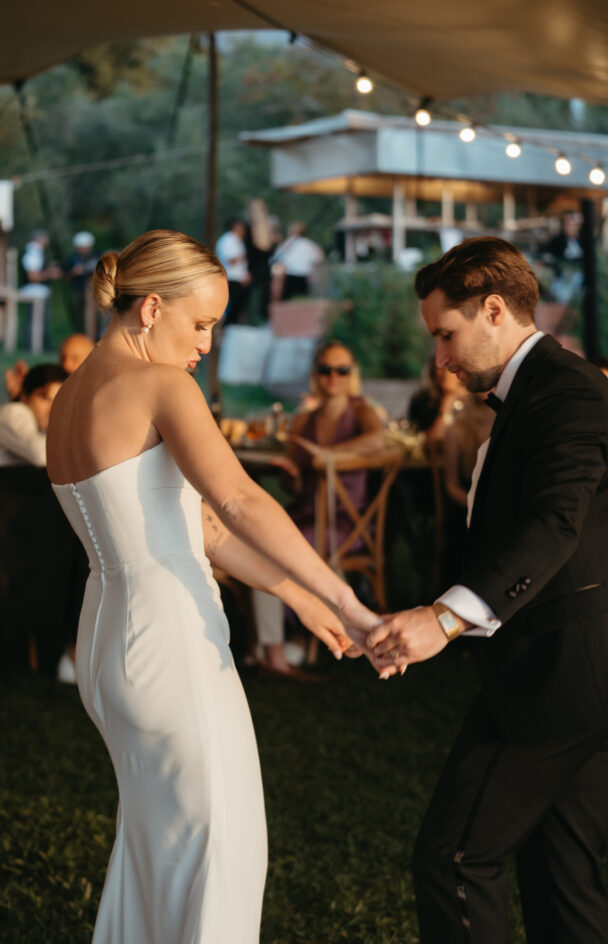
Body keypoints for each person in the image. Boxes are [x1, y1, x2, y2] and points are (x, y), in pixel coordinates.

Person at [45, 229, 393, 944]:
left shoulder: (73, 397)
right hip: (170, 639)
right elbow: (236, 501)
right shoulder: (161, 385)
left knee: (156, 847)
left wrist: (299, 597)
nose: (206, 344)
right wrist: (347, 599)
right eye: (199, 323)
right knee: (222, 851)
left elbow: (198, 529)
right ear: (148, 309)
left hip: (106, 645)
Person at [367, 236, 608, 944]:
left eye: (445, 334)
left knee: (453, 860)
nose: (439, 357)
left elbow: (553, 526)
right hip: (585, 674)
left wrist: (441, 620)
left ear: (494, 311)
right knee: (562, 889)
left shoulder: (568, 392)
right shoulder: (538, 391)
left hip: (562, 679)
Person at [251, 340, 385, 678]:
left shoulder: (362, 413)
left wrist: (329, 456)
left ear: (352, 375)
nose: (334, 377)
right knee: (256, 540)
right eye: (326, 369)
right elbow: (293, 488)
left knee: (272, 552)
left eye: (342, 370)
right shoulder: (303, 421)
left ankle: (275, 649)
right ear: (316, 375)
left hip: (345, 524)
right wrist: (292, 476)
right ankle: (276, 645)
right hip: (307, 516)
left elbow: (377, 441)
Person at [0, 363, 67, 466]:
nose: (52, 409)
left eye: (59, 402)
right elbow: (41, 455)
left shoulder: (43, 431)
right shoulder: (13, 411)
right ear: (24, 396)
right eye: (45, 399)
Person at [20, 229, 62, 349]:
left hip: (38, 292)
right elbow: (32, 276)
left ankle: (38, 344)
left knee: (39, 321)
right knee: (35, 321)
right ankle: (33, 345)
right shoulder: (32, 252)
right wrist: (49, 274)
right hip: (34, 292)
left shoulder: (35, 252)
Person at [271, 221, 324, 299]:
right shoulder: (310, 244)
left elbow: (277, 258)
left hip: (290, 276)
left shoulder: (287, 244)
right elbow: (320, 259)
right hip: (305, 277)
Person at [215, 217, 251, 324]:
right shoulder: (228, 239)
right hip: (230, 279)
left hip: (238, 280)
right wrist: (244, 256)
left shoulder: (237, 241)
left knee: (237, 309)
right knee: (230, 308)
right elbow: (230, 259)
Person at [64, 231, 98, 330]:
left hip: (93, 291)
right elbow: (65, 276)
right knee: (79, 315)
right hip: (78, 290)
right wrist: (73, 272)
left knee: (95, 316)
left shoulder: (95, 256)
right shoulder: (72, 258)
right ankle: (80, 334)